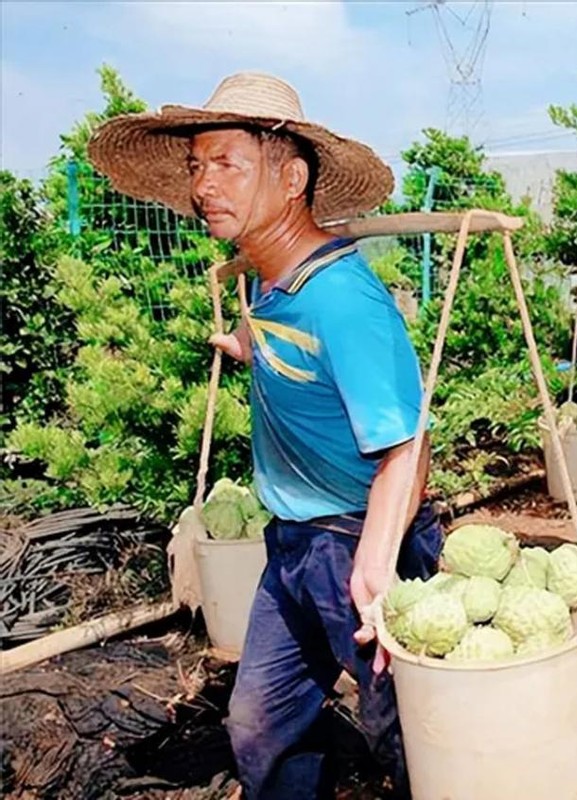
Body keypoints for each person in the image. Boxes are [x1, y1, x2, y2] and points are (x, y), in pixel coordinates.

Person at [87, 72, 443, 800]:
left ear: (290, 177)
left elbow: (410, 449)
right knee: (258, 723)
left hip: (360, 540)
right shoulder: (275, 283)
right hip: (292, 545)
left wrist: (374, 563)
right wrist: (249, 349)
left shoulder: (343, 300)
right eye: (195, 166)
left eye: (225, 163)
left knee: (410, 733)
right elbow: (294, 347)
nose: (202, 185)